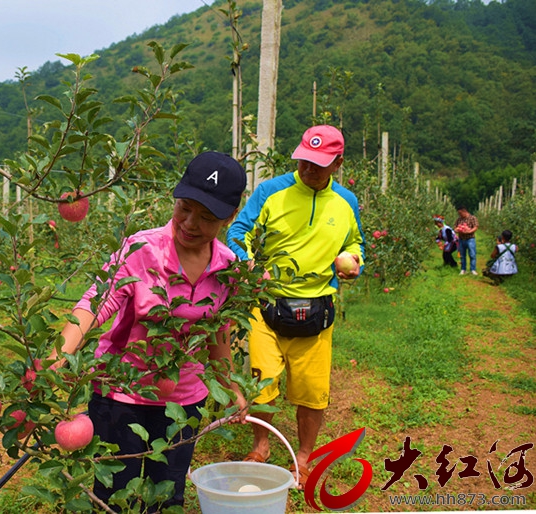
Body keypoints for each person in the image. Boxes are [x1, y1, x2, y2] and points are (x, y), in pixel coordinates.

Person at [50, 151, 248, 511]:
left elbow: (219, 334)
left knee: (167, 495)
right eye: (184, 208)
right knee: (112, 491)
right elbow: (97, 302)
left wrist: (230, 385)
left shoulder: (227, 269)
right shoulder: (142, 249)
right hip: (120, 391)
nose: (189, 223)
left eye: (206, 217)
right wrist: (59, 355)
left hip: (184, 400)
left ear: (229, 218)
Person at [226, 125, 365, 489]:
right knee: (262, 382)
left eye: (319, 164)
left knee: (311, 390)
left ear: (338, 163)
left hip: (317, 307)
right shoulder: (271, 191)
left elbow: (356, 244)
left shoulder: (347, 202)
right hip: (267, 304)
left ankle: (302, 457)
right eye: (304, 161)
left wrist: (353, 262)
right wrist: (250, 264)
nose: (308, 170)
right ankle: (261, 445)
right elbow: (237, 232)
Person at [454, 206, 479, 275]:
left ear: (464, 211)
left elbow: (476, 226)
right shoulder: (459, 219)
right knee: (462, 255)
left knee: (472, 254)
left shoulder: (472, 218)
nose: (460, 215)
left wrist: (469, 231)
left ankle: (473, 269)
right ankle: (463, 269)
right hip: (461, 239)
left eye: (461, 213)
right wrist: (457, 229)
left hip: (470, 238)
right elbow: (455, 227)